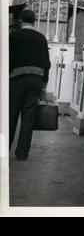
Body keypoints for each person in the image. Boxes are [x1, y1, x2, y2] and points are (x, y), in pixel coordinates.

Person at [9, 9, 51, 160]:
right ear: (34, 21)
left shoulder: (13, 36)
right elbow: (47, 63)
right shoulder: (42, 38)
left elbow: (8, 59)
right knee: (28, 117)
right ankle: (22, 153)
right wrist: (44, 85)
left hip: (15, 80)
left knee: (10, 116)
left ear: (21, 20)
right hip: (36, 81)